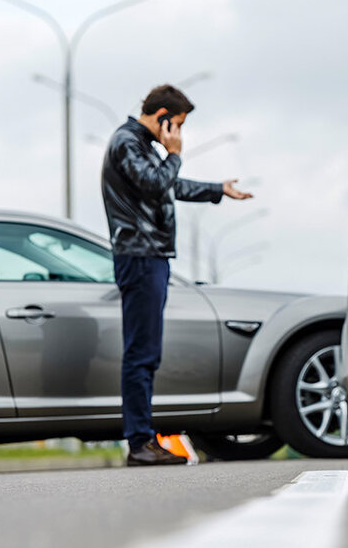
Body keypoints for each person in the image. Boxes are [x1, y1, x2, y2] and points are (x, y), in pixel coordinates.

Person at [100, 84, 252, 466]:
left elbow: (169, 186)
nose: (179, 134)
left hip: (150, 256)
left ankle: (143, 439)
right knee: (141, 353)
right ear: (163, 117)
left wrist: (218, 190)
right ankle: (139, 442)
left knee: (146, 352)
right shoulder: (126, 142)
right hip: (139, 255)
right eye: (178, 125)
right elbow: (155, 183)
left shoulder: (141, 147)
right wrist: (174, 154)